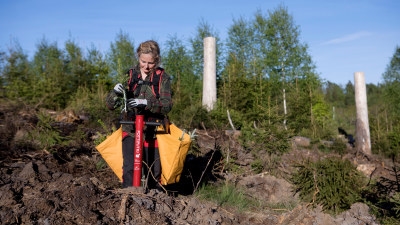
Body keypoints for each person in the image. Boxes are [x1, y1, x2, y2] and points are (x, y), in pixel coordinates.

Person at [106, 40, 172, 190]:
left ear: (157, 60)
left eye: (151, 63)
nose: (146, 66)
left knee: (154, 171)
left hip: (153, 130)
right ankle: (128, 199)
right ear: (138, 57)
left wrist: (146, 102)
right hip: (130, 129)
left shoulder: (162, 78)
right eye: (143, 62)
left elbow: (167, 105)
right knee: (129, 168)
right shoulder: (129, 76)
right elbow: (110, 105)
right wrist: (115, 92)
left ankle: (155, 202)